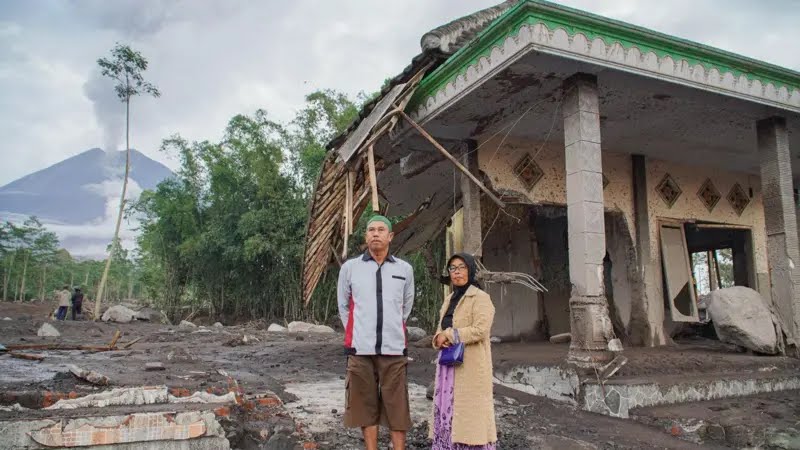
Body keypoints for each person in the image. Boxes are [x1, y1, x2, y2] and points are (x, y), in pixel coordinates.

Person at [337, 215, 415, 450]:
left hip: (394, 349)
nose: (375, 234)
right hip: (360, 350)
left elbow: (406, 306)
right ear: (366, 236)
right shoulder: (350, 268)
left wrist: (392, 327)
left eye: (381, 230)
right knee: (365, 406)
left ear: (390, 236)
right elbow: (343, 306)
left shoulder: (404, 269)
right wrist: (358, 332)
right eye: (371, 230)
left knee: (397, 407)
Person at [431, 253, 497, 449]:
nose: (457, 272)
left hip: (471, 367)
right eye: (452, 268)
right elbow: (441, 327)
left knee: (470, 414)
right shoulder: (449, 299)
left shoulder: (480, 298)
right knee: (448, 408)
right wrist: (438, 338)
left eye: (462, 267)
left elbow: (480, 330)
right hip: (447, 365)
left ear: (471, 270)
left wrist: (450, 335)